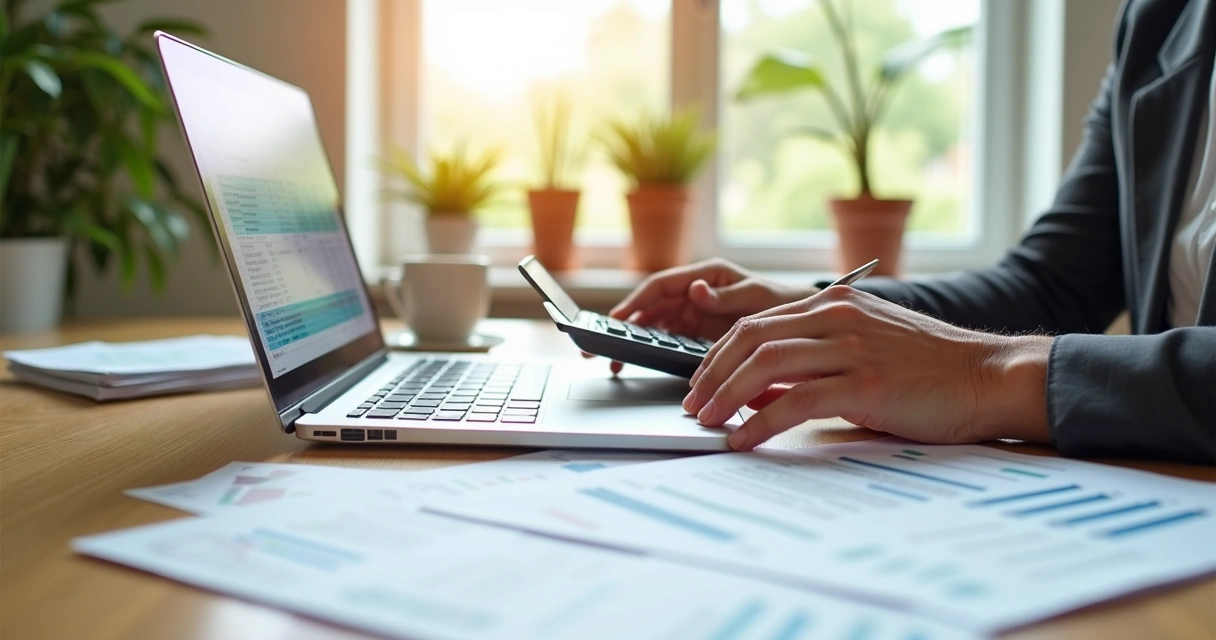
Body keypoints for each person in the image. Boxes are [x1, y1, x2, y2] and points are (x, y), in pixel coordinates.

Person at [603, 0, 1215, 463]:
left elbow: (1006, 345)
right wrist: (806, 313)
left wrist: (991, 373)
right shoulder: (1162, 18)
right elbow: (1053, 283)